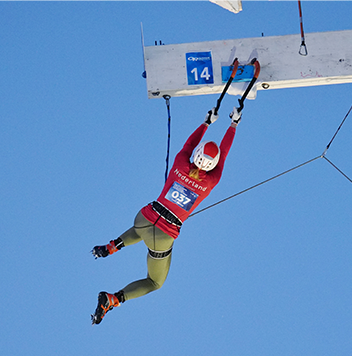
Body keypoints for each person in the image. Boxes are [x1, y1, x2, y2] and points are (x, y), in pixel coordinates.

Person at [90, 106, 243, 324]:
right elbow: (224, 154)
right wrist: (233, 126)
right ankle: (113, 299)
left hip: (144, 216)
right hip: (162, 235)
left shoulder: (181, 162)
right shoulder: (210, 181)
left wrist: (208, 123)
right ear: (212, 165)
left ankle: (112, 247)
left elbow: (190, 145)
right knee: (155, 282)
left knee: (142, 229)